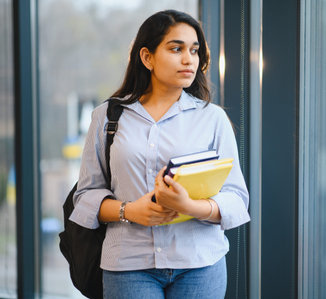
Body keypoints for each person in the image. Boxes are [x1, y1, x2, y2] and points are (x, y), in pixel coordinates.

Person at [69, 9, 250, 299]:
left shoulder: (212, 118)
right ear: (147, 57)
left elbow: (236, 199)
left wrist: (190, 206)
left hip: (201, 264)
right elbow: (86, 196)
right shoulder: (107, 116)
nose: (189, 59)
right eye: (176, 48)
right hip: (128, 265)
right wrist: (130, 211)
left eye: (194, 50)